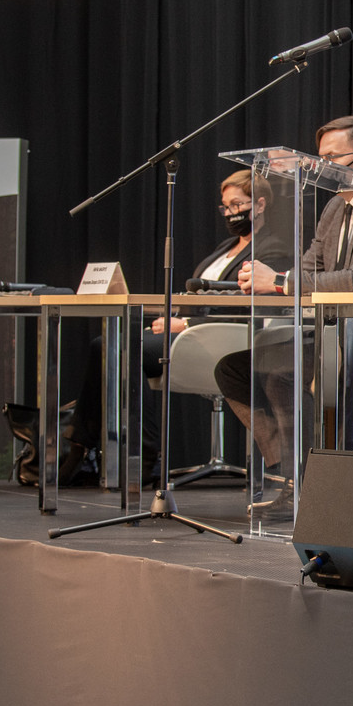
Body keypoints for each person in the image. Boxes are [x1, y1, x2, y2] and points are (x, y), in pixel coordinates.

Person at [214, 114, 353, 513]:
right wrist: (273, 281)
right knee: (235, 369)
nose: (319, 167)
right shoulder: (335, 208)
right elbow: (309, 270)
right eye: (318, 158)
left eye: (330, 158)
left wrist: (279, 281)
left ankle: (318, 489)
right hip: (333, 332)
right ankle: (291, 475)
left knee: (281, 371)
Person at [65, 169, 292, 483]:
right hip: (188, 331)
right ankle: (84, 446)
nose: (230, 213)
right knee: (106, 345)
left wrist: (185, 322)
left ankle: (135, 451)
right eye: (225, 207)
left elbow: (249, 305)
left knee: (116, 348)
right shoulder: (226, 247)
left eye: (237, 205)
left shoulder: (273, 249)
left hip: (223, 339)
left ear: (261, 204)